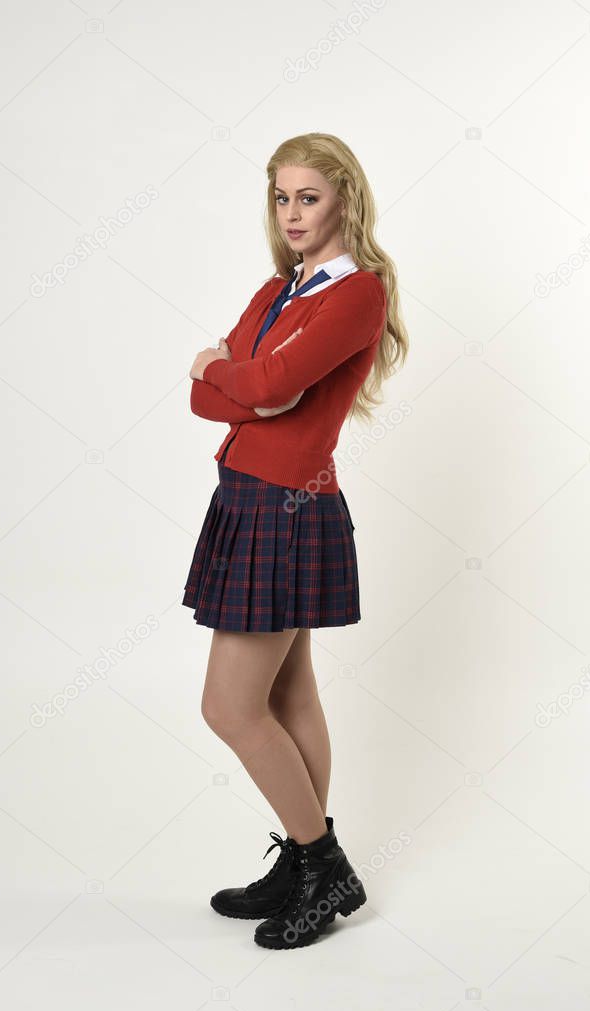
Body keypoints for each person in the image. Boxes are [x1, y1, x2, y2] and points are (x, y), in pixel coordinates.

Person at [184, 132, 408, 949]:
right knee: (287, 695)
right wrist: (231, 378)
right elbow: (221, 394)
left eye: (308, 197)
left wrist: (228, 372)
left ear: (345, 197)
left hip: (286, 506)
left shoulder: (356, 294)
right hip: (250, 496)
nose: (292, 214)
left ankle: (325, 865)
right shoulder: (280, 288)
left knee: (228, 707)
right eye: (282, 198)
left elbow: (269, 384)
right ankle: (306, 861)